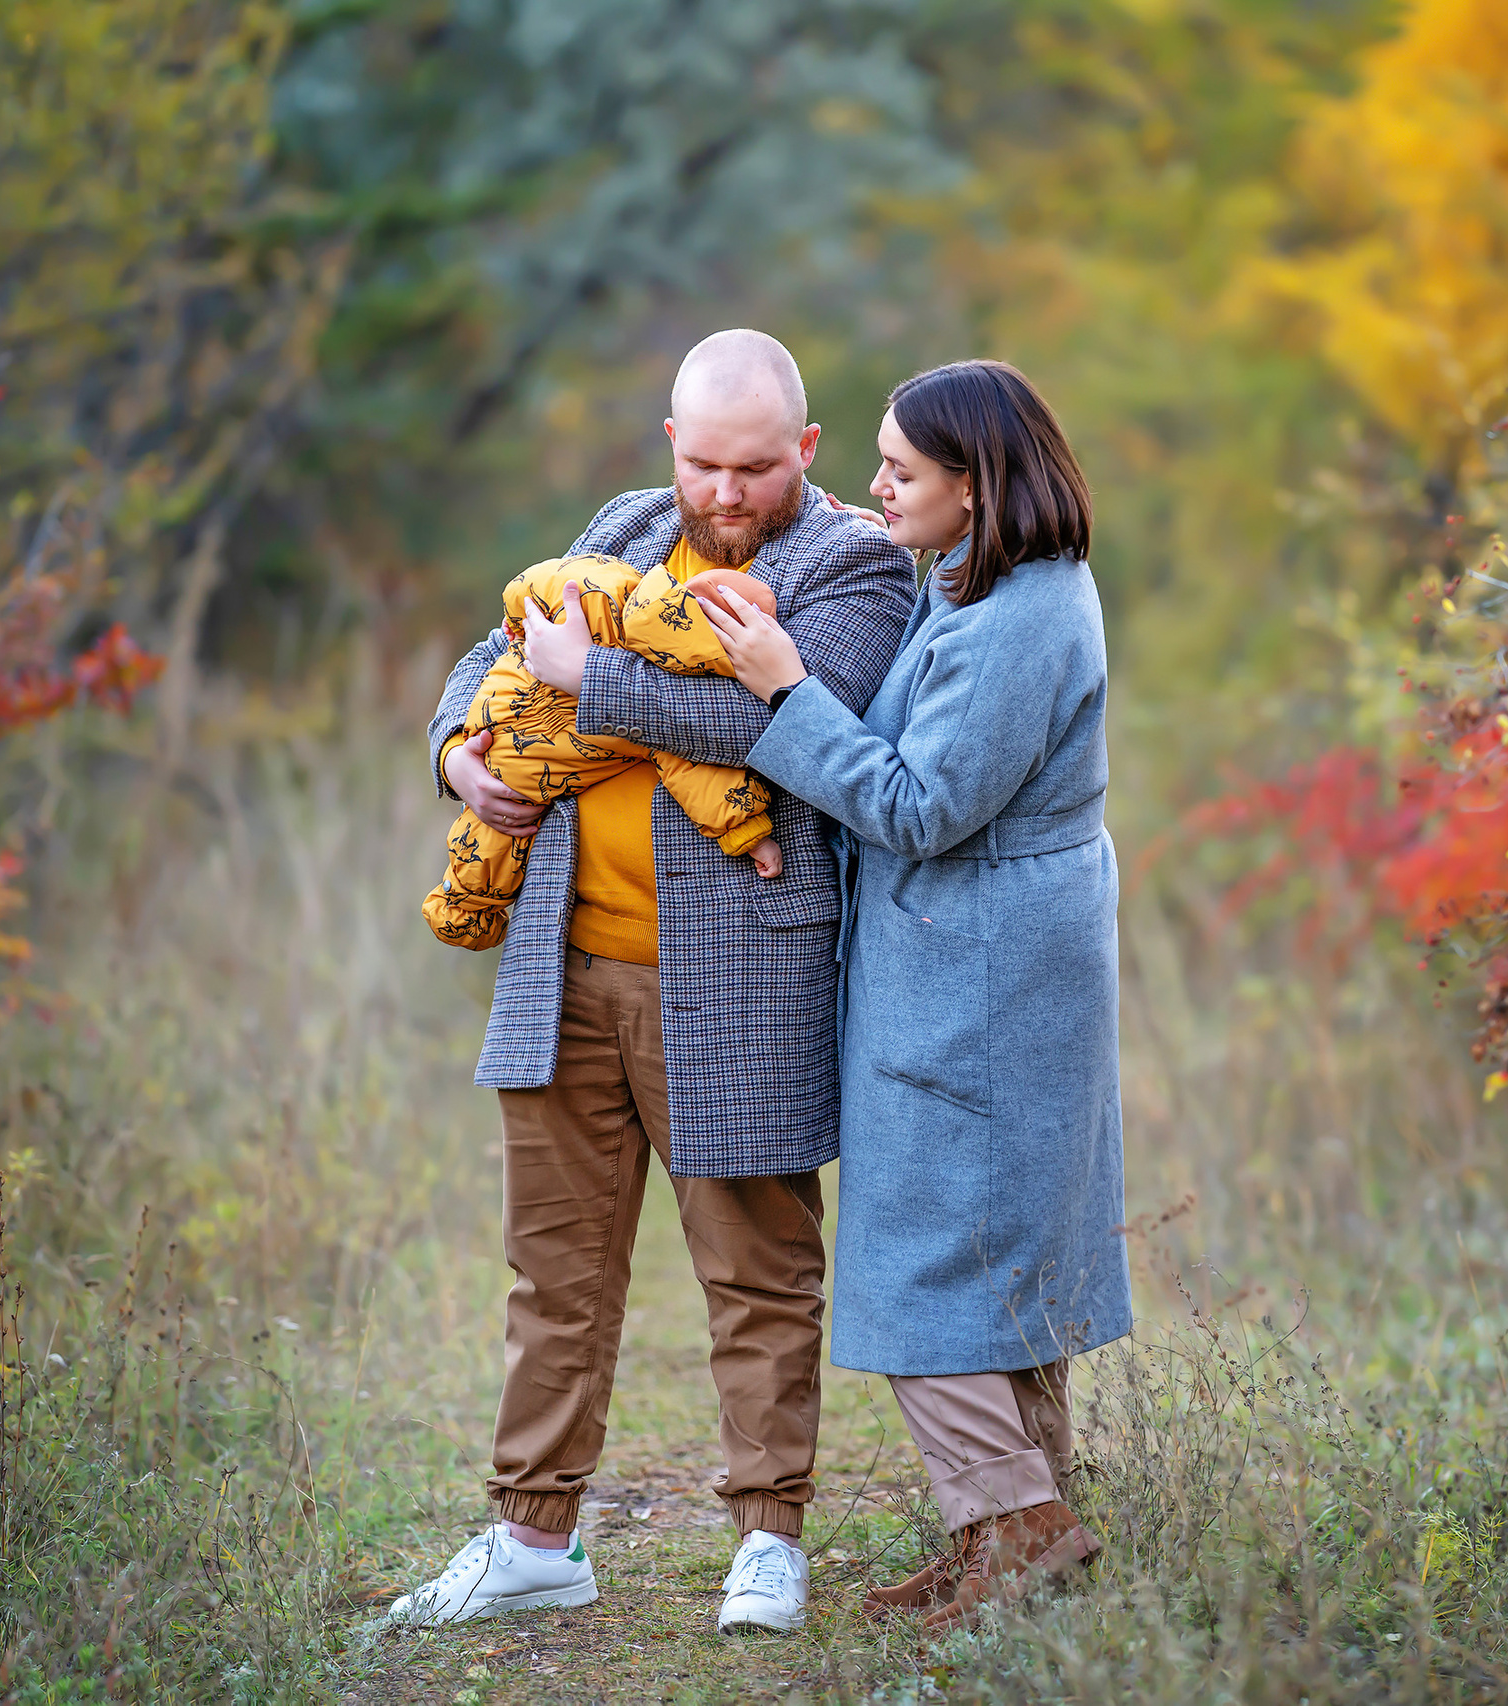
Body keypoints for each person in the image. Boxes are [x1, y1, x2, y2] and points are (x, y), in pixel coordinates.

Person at [391, 330, 916, 1634]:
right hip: (563, 967)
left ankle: (769, 1539)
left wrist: (592, 681)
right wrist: (461, 750)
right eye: (707, 466)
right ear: (670, 445)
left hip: (740, 984)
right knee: (552, 1268)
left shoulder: (850, 565)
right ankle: (532, 1537)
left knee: (758, 1268)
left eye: (756, 467)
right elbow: (490, 653)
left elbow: (792, 728)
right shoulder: (624, 524)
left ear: (804, 450)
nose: (727, 495)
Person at [704, 358, 1132, 1633]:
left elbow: (918, 802)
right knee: (997, 1251)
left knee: (927, 1254)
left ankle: (1026, 1528)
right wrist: (858, 521)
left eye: (903, 468)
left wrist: (783, 686)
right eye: (877, 461)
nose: (877, 483)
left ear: (976, 483)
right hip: (981, 950)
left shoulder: (1021, 620)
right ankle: (1000, 1529)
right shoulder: (979, 576)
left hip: (982, 970)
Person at [420, 554, 783, 953]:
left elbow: (783, 723)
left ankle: (461, 910)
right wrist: (453, 754)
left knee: (485, 848)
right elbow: (693, 766)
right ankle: (461, 911)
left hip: (681, 954)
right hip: (512, 772)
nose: (727, 494)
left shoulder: (609, 588)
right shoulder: (626, 523)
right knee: (490, 844)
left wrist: (582, 669)